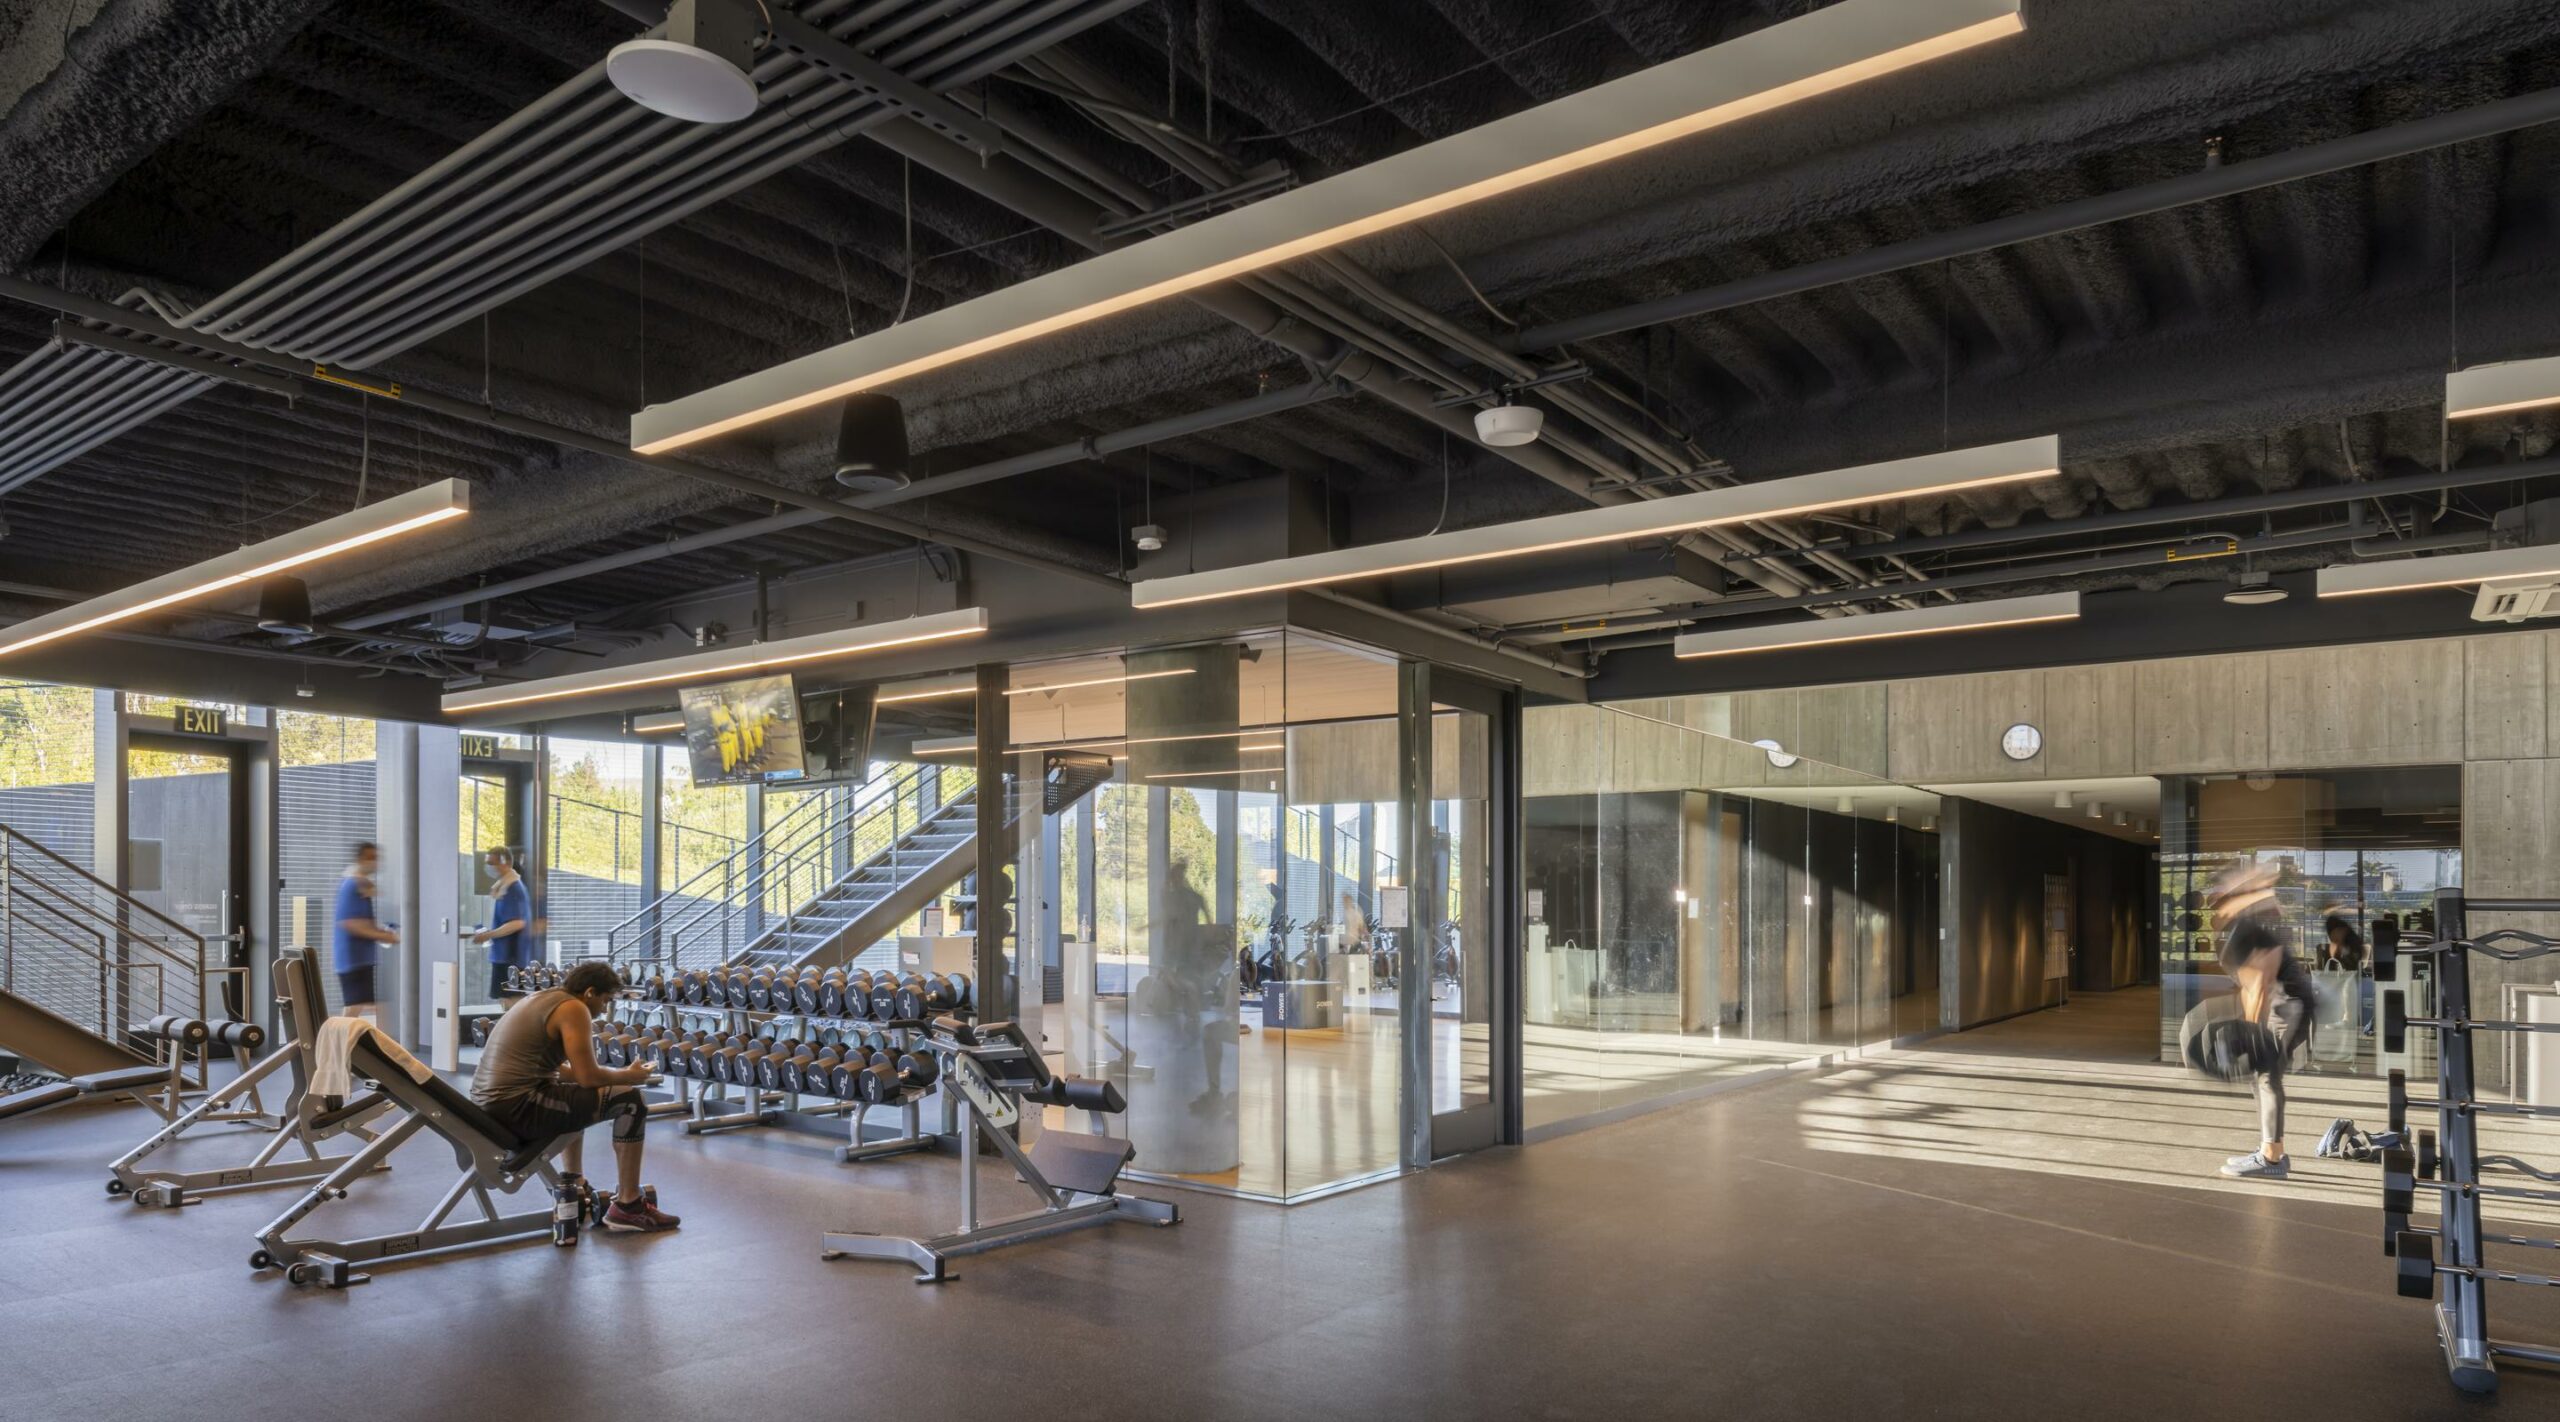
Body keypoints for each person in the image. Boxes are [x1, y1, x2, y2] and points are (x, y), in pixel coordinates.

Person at [468, 960, 678, 1232]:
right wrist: (628, 1077)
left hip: (496, 1104)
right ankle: (628, 1206)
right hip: (517, 1107)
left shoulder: (542, 998)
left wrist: (620, 1073)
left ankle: (574, 1182)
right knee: (630, 1101)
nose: (604, 1010)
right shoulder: (573, 1008)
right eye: (605, 1000)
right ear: (589, 992)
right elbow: (587, 1076)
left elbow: (566, 1073)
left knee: (580, 1097)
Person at [2210, 858, 2314, 1180]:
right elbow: (2247, 985)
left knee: (2268, 1076)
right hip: (2284, 1004)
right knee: (2263, 1078)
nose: (2214, 906)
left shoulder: (2250, 929)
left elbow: (2260, 984)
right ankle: (2269, 1150)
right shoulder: (2238, 929)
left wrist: (2252, 1033)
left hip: (2288, 1006)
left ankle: (2271, 1159)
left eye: (2218, 897)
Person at [331, 842, 398, 1022]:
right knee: (355, 1007)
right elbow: (351, 923)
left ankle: (343, 1045)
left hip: (361, 958)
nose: (376, 862)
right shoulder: (351, 885)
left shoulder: (360, 885)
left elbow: (363, 921)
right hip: (353, 959)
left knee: (358, 1007)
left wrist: (381, 931)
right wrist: (384, 936)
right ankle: (338, 1046)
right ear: (361, 859)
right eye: (371, 858)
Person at [471, 847, 533, 996]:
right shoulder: (503, 887)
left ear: (505, 863)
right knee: (504, 999)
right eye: (487, 863)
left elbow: (517, 923)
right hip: (503, 955)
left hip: (511, 956)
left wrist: (488, 935)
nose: (488, 867)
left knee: (511, 1000)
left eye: (492, 863)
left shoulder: (513, 889)